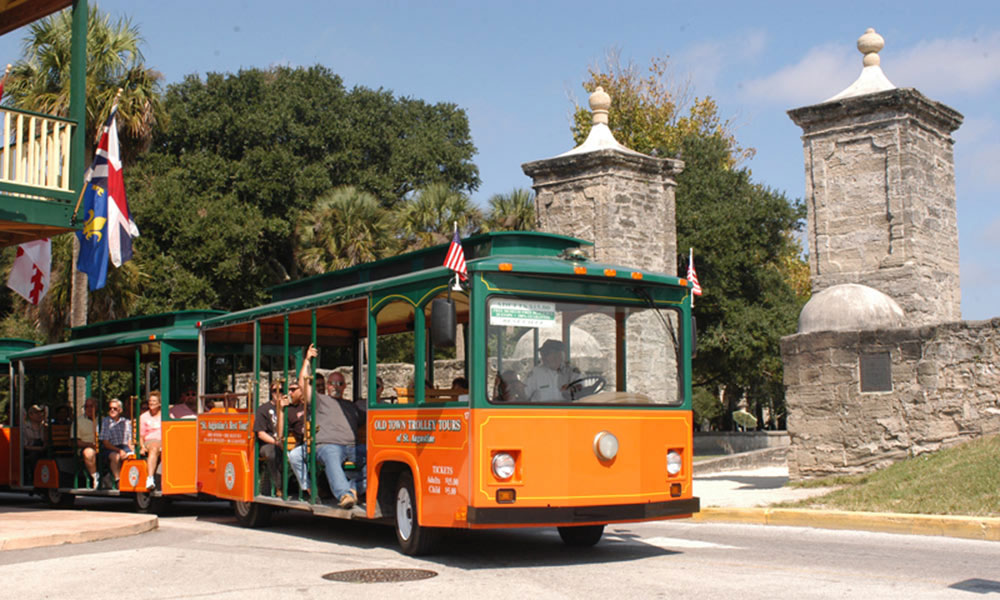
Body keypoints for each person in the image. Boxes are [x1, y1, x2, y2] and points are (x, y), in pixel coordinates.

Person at [315, 371, 364, 508]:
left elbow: (367, 417)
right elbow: (303, 386)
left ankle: (353, 489)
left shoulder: (350, 405)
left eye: (340, 384)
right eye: (332, 384)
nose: (336, 387)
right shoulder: (320, 400)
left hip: (352, 447)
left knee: (375, 455)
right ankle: (344, 495)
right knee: (332, 454)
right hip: (329, 445)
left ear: (344, 387)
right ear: (327, 385)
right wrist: (307, 360)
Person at [287, 345, 319, 496]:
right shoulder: (313, 402)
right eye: (318, 386)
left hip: (335, 442)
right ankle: (309, 487)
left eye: (322, 386)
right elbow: (303, 383)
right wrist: (307, 360)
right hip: (313, 443)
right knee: (294, 455)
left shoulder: (334, 403)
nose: (322, 388)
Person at [254, 380, 289, 496]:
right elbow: (260, 433)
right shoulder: (263, 409)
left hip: (287, 441)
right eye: (275, 390)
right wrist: (276, 442)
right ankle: (279, 486)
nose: (278, 393)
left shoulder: (288, 408)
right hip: (268, 443)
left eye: (281, 390)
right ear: (271, 392)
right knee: (272, 453)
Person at [99, 399, 133, 487]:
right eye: (110, 408)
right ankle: (118, 480)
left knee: (131, 455)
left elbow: (129, 438)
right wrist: (119, 450)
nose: (112, 410)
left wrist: (132, 450)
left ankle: (130, 479)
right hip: (110, 448)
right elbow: (106, 443)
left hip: (124, 446)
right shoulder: (105, 422)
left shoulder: (126, 422)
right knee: (116, 456)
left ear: (120, 410)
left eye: (115, 408)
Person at [139, 391, 162, 491]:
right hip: (150, 441)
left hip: (164, 441)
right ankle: (150, 478)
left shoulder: (165, 415)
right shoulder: (144, 417)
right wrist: (142, 447)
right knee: (154, 447)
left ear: (159, 403)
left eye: (154, 401)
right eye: (150, 401)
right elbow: (140, 435)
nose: (151, 403)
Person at [76, 397, 100, 489]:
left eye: (91, 406)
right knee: (88, 452)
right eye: (86, 407)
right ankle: (95, 477)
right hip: (86, 448)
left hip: (102, 447)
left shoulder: (102, 420)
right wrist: (91, 445)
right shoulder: (78, 421)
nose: (89, 409)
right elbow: (75, 441)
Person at [22, 405, 47, 485]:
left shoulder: (45, 427)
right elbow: (24, 446)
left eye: (41, 413)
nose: (40, 415)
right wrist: (40, 448)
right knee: (34, 455)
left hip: (43, 449)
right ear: (30, 415)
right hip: (30, 451)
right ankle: (35, 478)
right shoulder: (25, 427)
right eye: (37, 413)